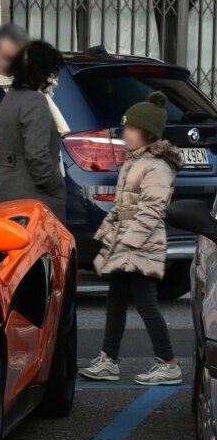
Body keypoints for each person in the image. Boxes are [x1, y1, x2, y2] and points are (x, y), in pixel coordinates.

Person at [80, 92, 183, 386]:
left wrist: (131, 241)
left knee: (147, 304)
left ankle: (169, 363)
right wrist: (107, 234)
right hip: (124, 243)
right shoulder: (135, 162)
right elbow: (122, 206)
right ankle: (109, 360)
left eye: (130, 128)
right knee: (115, 303)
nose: (125, 133)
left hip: (141, 245)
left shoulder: (157, 167)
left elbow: (152, 209)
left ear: (146, 132)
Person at [0, 40, 69, 222]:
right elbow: (37, 155)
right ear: (43, 72)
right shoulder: (35, 101)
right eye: (53, 71)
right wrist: (55, 185)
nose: (55, 78)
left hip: (6, 194)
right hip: (33, 201)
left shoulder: (11, 97)